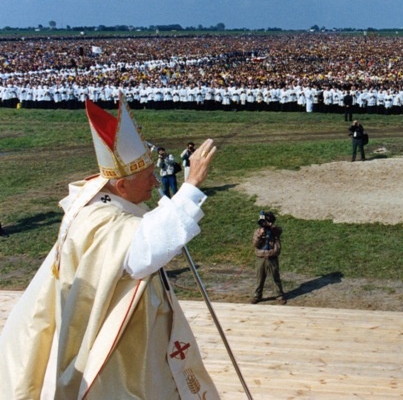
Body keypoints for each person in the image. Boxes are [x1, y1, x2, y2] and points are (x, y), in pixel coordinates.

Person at [0, 95, 220, 399]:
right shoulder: (103, 224)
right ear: (121, 186)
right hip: (115, 345)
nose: (156, 183)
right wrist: (191, 185)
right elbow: (145, 251)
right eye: (147, 177)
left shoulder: (99, 195)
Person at [251, 211, 286, 305]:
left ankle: (279, 295)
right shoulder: (258, 231)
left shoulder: (275, 231)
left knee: (275, 277)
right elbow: (255, 244)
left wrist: (271, 226)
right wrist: (260, 235)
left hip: (272, 256)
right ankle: (257, 296)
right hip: (260, 257)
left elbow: (279, 231)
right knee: (259, 278)